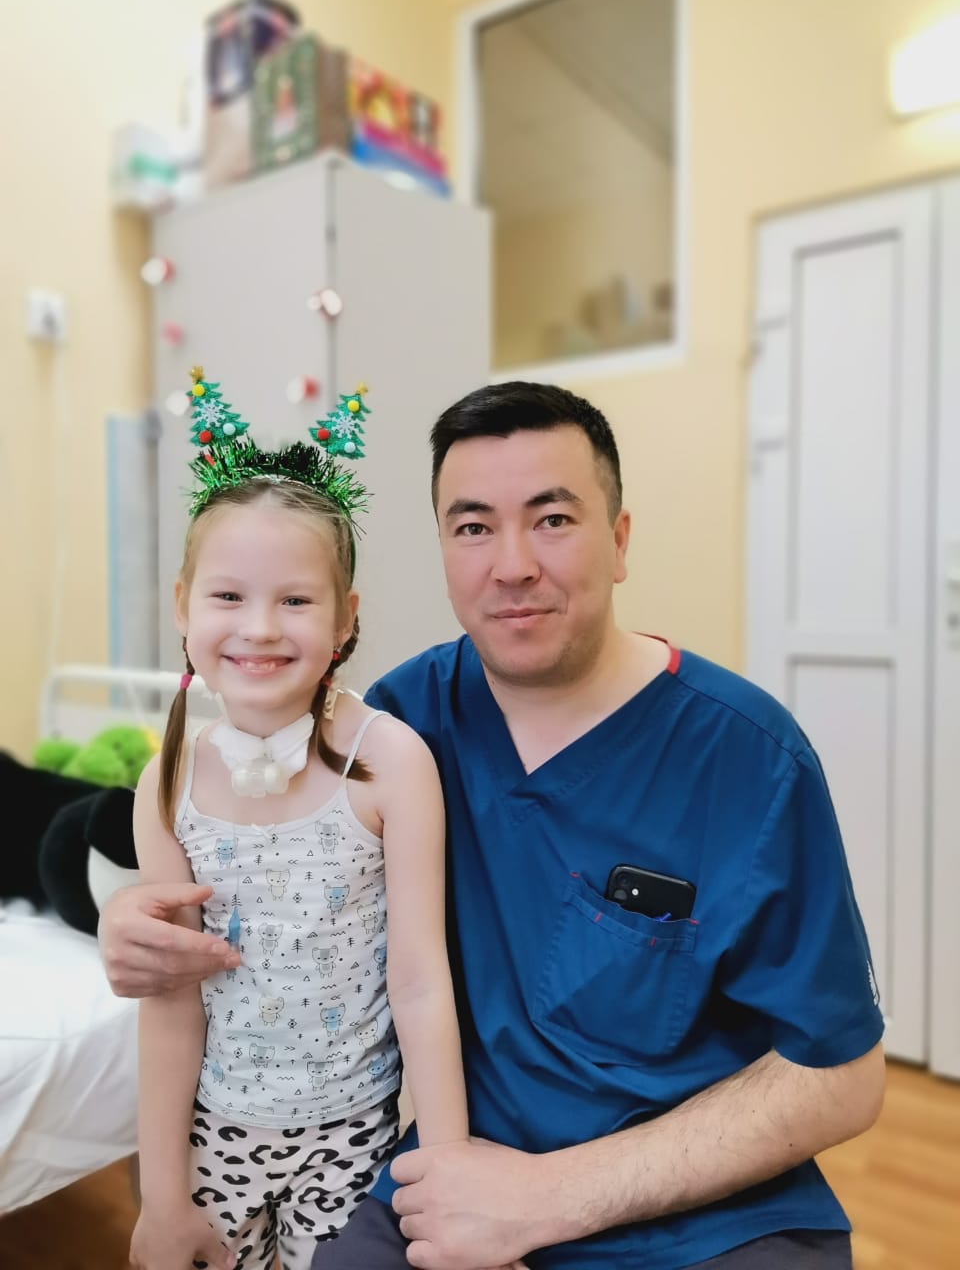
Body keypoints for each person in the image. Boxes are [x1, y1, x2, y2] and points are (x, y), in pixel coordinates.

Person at [102, 381, 886, 1270]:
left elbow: (843, 1077)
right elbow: (234, 826)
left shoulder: (747, 756)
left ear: (620, 540)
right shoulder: (401, 725)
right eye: (473, 526)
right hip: (460, 1171)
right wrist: (124, 917)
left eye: (552, 519)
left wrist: (552, 1198)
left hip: (702, 1214)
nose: (512, 564)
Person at [126, 370, 471, 1270]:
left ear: (345, 619)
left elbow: (421, 980)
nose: (261, 628)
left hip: (356, 1137)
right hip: (214, 1135)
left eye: (296, 599)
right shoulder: (166, 783)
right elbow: (169, 1002)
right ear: (183, 607)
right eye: (228, 597)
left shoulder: (391, 763)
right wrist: (161, 1199)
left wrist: (450, 1178)